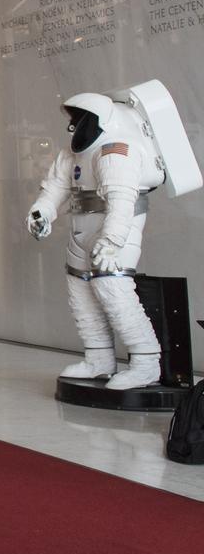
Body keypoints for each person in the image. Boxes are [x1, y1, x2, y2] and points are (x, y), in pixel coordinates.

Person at [26, 92, 167, 390]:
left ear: (101, 122)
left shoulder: (116, 151)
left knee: (113, 289)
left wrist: (112, 240)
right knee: (80, 292)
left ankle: (146, 363)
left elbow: (121, 202)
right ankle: (98, 359)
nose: (76, 129)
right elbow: (55, 188)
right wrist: (42, 213)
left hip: (115, 228)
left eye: (81, 121)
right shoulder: (72, 155)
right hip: (81, 230)